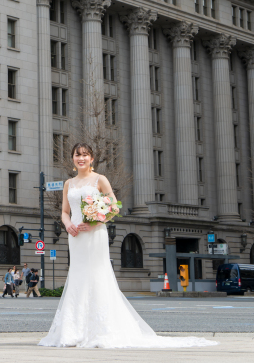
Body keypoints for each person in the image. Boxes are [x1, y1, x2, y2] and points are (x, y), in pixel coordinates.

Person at [39, 142, 217, 349]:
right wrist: (68, 224)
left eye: (85, 155)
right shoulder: (68, 183)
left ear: (92, 159)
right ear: (72, 158)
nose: (81, 158)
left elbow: (114, 207)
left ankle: (102, 328)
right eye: (77, 155)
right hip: (76, 237)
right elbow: (64, 211)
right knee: (78, 275)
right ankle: (73, 330)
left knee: (97, 275)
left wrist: (94, 221)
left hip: (95, 234)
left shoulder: (100, 179)